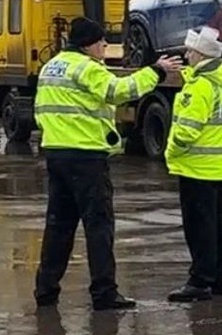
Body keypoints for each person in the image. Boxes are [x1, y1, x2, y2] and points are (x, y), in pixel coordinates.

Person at [33, 16, 182, 311]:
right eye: (101, 41)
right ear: (89, 45)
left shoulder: (52, 66)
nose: (105, 46)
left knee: (58, 226)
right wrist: (156, 71)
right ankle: (104, 292)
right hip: (86, 157)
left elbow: (41, 110)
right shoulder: (86, 68)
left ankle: (45, 289)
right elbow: (118, 92)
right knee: (98, 226)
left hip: (56, 153)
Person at [166, 27, 222, 303]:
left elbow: (187, 130)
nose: (186, 56)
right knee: (219, 224)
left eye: (189, 51)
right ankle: (221, 279)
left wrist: (171, 150)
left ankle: (199, 281)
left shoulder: (201, 87)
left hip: (196, 165)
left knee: (199, 228)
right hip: (218, 165)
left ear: (200, 54)